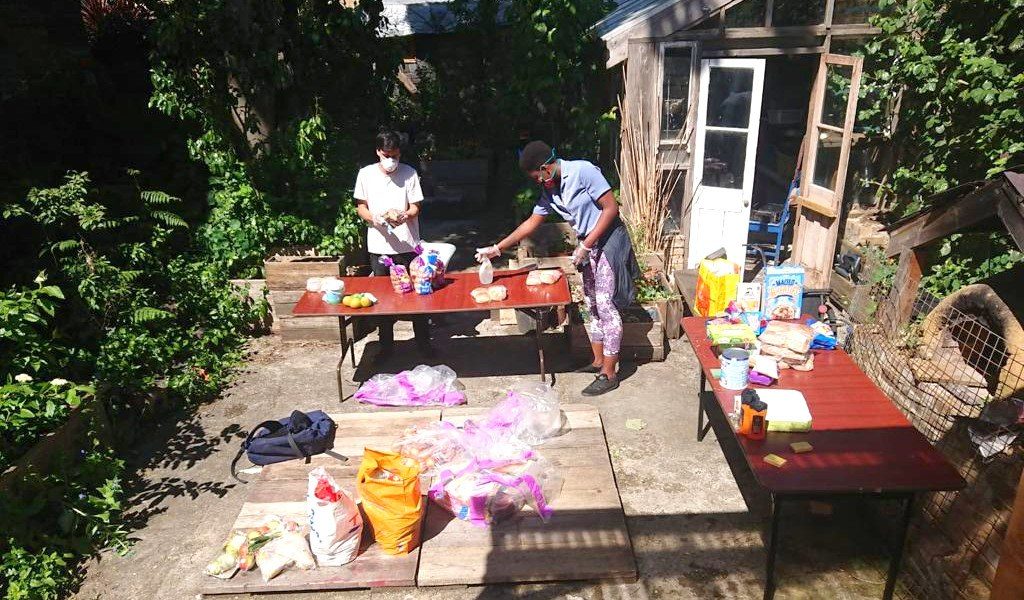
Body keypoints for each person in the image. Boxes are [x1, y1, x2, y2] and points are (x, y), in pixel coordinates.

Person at [476, 141, 639, 396]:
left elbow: (611, 209)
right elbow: (531, 223)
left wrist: (586, 244)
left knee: (606, 305)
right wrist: (497, 248)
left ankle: (610, 373)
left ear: (545, 167)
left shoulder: (583, 171)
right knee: (590, 303)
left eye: (538, 177)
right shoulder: (551, 192)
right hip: (587, 244)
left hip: (608, 241)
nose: (539, 182)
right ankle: (597, 362)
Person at [354, 130, 432, 360]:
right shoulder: (365, 174)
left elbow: (416, 206)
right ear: (378, 152)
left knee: (418, 294)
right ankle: (386, 345)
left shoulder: (409, 173)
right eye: (387, 154)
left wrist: (405, 215)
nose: (391, 160)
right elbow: (361, 206)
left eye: (395, 155)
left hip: (408, 245)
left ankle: (424, 344)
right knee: (383, 297)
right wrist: (375, 218)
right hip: (379, 245)